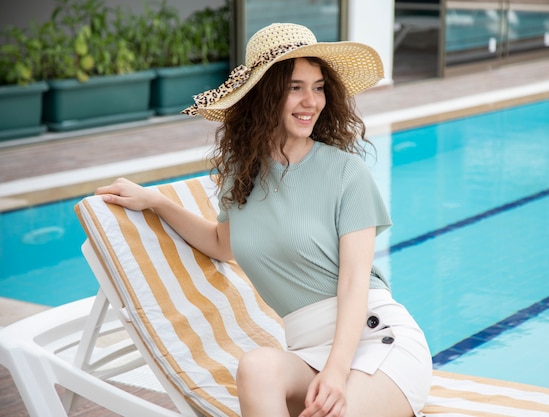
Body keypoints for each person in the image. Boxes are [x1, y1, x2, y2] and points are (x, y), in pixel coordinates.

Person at [96, 23, 432, 417]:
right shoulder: (242, 174)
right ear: (264, 95)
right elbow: (224, 244)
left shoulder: (345, 172)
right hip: (306, 352)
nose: (312, 101)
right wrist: (157, 202)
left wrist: (338, 372)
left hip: (375, 341)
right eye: (295, 87)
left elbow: (356, 280)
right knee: (255, 366)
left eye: (319, 87)